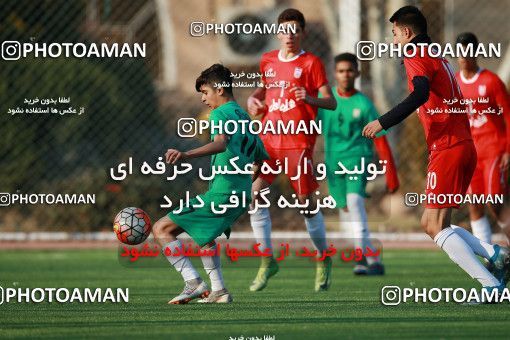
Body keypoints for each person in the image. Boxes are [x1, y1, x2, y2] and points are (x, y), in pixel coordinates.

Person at [362, 6, 510, 296]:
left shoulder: (415, 54)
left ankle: (490, 284)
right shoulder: (436, 53)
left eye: (394, 34)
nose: (393, 41)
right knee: (437, 223)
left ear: (406, 32)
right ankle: (496, 255)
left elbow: (420, 93)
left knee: (433, 225)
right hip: (461, 145)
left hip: (449, 146)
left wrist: (383, 121)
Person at [152, 64, 268, 304]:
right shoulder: (244, 116)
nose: (204, 99)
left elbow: (220, 143)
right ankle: (219, 291)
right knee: (205, 237)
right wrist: (245, 183)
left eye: (205, 92)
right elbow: (260, 159)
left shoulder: (220, 114)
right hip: (239, 195)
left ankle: (193, 283)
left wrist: (185, 155)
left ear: (221, 90)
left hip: (223, 192)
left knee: (162, 229)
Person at [246, 8, 337, 292]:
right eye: (284, 29)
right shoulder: (267, 60)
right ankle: (267, 260)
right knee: (255, 195)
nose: (289, 35)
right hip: (270, 139)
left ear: (302, 33)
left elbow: (330, 102)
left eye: (295, 29)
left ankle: (323, 258)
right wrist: (253, 100)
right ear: (277, 33)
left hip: (298, 142)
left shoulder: (311, 63)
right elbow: (262, 91)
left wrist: (309, 98)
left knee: (307, 204)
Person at [318, 52, 399, 275]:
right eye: (341, 71)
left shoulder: (363, 104)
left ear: (357, 73)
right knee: (345, 208)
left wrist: (391, 173)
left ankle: (361, 257)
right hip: (333, 164)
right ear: (335, 74)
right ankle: (373, 257)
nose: (345, 75)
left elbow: (380, 138)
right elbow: (304, 127)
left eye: (350, 70)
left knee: (354, 203)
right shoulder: (325, 103)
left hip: (357, 159)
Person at [455, 32, 510, 244]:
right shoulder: (455, 83)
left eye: (468, 51)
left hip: (493, 149)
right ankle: (490, 256)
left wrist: (507, 149)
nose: (464, 56)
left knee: (494, 200)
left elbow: (507, 115)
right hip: (471, 152)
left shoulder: (491, 82)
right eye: (460, 52)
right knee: (474, 203)